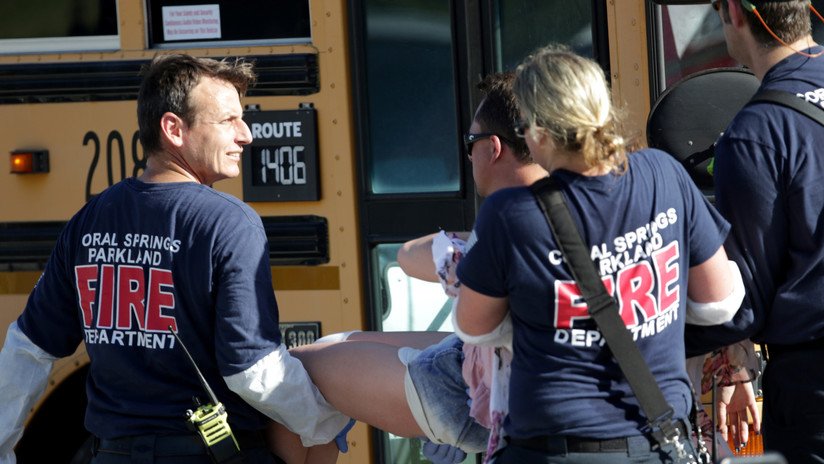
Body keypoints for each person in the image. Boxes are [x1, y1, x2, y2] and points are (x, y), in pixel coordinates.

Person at [0, 54, 349, 464]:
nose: (247, 135)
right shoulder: (230, 223)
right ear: (173, 129)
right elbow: (251, 369)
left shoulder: (89, 219)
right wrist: (328, 420)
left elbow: (29, 347)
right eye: (228, 121)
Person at [453, 45, 746, 463]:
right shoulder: (663, 174)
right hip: (659, 442)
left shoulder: (510, 214)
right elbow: (721, 301)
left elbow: (473, 326)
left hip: (555, 448)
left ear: (536, 131)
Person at [266, 72, 547, 464]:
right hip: (518, 377)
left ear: (494, 148)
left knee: (295, 372)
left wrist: (463, 244)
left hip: (476, 393)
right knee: (337, 343)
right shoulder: (567, 206)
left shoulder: (505, 219)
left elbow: (415, 260)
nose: (469, 156)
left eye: (471, 143)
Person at [684, 1, 824, 461]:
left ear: (733, 13)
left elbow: (741, 303)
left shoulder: (755, 133)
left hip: (813, 387)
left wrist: (652, 333)